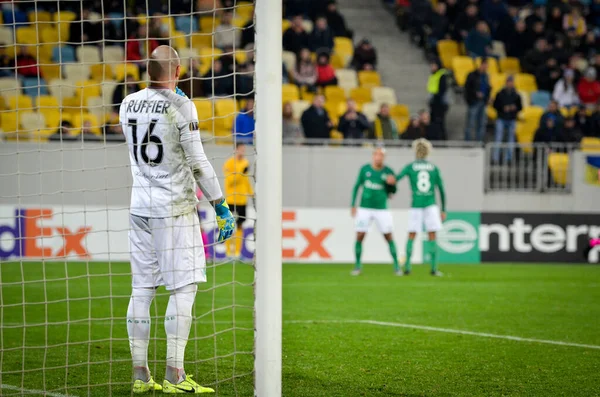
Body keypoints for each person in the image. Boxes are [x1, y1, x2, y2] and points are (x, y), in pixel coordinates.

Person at [119, 45, 234, 394]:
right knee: (184, 287)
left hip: (139, 206)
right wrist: (220, 204)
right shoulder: (183, 104)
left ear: (148, 70)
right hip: (174, 208)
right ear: (179, 70)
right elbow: (197, 160)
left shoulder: (127, 103)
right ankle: (174, 374)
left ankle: (141, 376)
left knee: (141, 289)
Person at [387, 139, 446, 276]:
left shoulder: (411, 166)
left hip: (416, 204)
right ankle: (433, 268)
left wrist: (390, 186)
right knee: (432, 235)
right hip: (430, 204)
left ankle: (407, 267)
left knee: (412, 234)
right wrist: (444, 209)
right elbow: (441, 190)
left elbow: (396, 179)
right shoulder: (434, 168)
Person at [350, 148, 400, 275]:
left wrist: (392, 185)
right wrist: (353, 205)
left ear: (384, 157)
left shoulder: (388, 171)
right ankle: (357, 266)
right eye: (377, 155)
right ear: (373, 156)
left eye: (381, 155)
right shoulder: (365, 169)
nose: (378, 157)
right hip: (365, 208)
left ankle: (396, 266)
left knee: (388, 236)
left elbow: (393, 191)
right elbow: (357, 186)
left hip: (381, 209)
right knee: (360, 235)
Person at [223, 143, 253, 258]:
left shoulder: (245, 163)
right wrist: (241, 171)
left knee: (240, 225)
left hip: (242, 199)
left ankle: (237, 253)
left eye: (244, 150)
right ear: (235, 150)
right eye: (241, 149)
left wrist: (251, 193)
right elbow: (230, 180)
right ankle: (228, 253)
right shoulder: (229, 163)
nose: (242, 152)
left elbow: (245, 181)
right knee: (228, 225)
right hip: (231, 198)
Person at [492, 75, 522, 163]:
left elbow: (520, 107)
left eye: (511, 82)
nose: (510, 83)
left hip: (511, 118)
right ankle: (496, 158)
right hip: (501, 118)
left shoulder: (516, 95)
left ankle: (508, 159)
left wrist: (514, 108)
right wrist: (503, 108)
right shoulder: (500, 93)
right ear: (506, 83)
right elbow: (495, 105)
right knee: (498, 138)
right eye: (509, 82)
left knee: (511, 139)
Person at [464, 57, 490, 141]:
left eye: (487, 66)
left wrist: (487, 98)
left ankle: (478, 142)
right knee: (470, 123)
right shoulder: (472, 75)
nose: (486, 67)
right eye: (485, 65)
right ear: (481, 65)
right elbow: (467, 88)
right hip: (474, 102)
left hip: (483, 102)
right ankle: (467, 142)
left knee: (481, 124)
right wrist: (474, 95)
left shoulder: (486, 76)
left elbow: (488, 88)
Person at [427, 58, 449, 136]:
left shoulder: (441, 75)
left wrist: (435, 99)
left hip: (440, 103)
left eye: (433, 65)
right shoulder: (433, 75)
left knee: (440, 122)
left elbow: (442, 90)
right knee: (434, 123)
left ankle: (442, 139)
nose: (432, 67)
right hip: (434, 102)